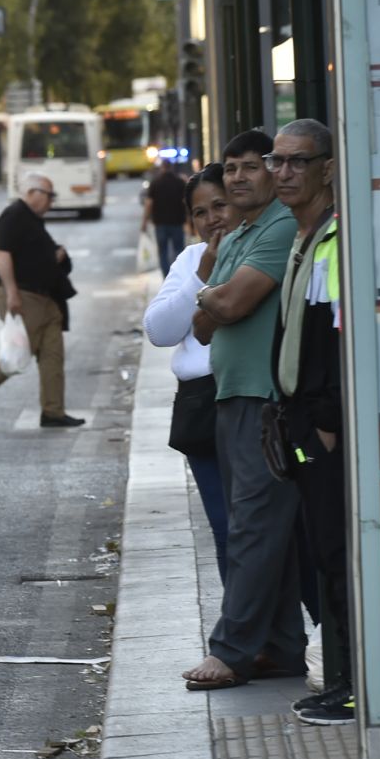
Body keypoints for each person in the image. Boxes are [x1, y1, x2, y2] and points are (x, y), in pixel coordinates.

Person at [181, 129, 305, 690]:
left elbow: (224, 301)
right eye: (230, 168)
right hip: (231, 396)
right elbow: (205, 328)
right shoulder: (237, 232)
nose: (237, 178)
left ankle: (231, 648)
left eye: (250, 167)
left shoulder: (278, 224)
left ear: (273, 171)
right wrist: (214, 297)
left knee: (254, 529)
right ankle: (278, 647)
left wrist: (212, 294)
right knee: (260, 530)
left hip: (266, 399)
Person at [267, 118, 352, 725]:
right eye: (278, 161)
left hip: (325, 426)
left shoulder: (335, 238)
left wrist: (325, 420)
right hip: (301, 421)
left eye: (298, 161)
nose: (284, 173)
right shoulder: (302, 234)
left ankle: (353, 687)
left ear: (327, 166)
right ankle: (343, 679)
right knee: (323, 555)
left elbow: (340, 338)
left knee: (339, 554)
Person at [145, 164, 235, 580]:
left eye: (220, 205)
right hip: (202, 408)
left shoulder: (267, 249)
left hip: (253, 402)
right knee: (224, 528)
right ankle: (247, 635)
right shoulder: (191, 259)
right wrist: (201, 274)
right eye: (201, 212)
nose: (213, 218)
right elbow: (160, 331)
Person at [0, 173, 83, 429]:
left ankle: (53, 411)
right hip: (24, 296)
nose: (51, 201)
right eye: (49, 195)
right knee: (19, 351)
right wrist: (12, 292)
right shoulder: (13, 215)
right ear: (32, 193)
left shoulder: (33, 220)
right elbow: (3, 257)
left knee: (52, 355)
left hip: (46, 299)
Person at [143, 159, 189, 276]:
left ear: (162, 168)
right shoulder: (180, 182)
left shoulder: (155, 182)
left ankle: (166, 278)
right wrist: (189, 222)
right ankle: (179, 276)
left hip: (160, 223)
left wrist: (144, 222)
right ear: (171, 168)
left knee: (163, 252)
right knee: (179, 251)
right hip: (177, 222)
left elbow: (149, 204)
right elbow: (186, 203)